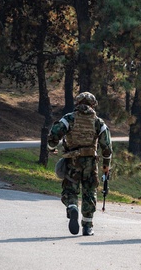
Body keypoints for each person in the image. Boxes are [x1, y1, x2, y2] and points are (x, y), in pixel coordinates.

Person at [48, 92, 113, 236]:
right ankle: (87, 226)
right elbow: (107, 147)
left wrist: (51, 147)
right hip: (91, 162)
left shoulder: (69, 118)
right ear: (93, 105)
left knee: (70, 189)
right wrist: (106, 166)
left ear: (77, 104)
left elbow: (54, 135)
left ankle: (72, 207)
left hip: (72, 161)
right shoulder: (98, 122)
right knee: (89, 192)